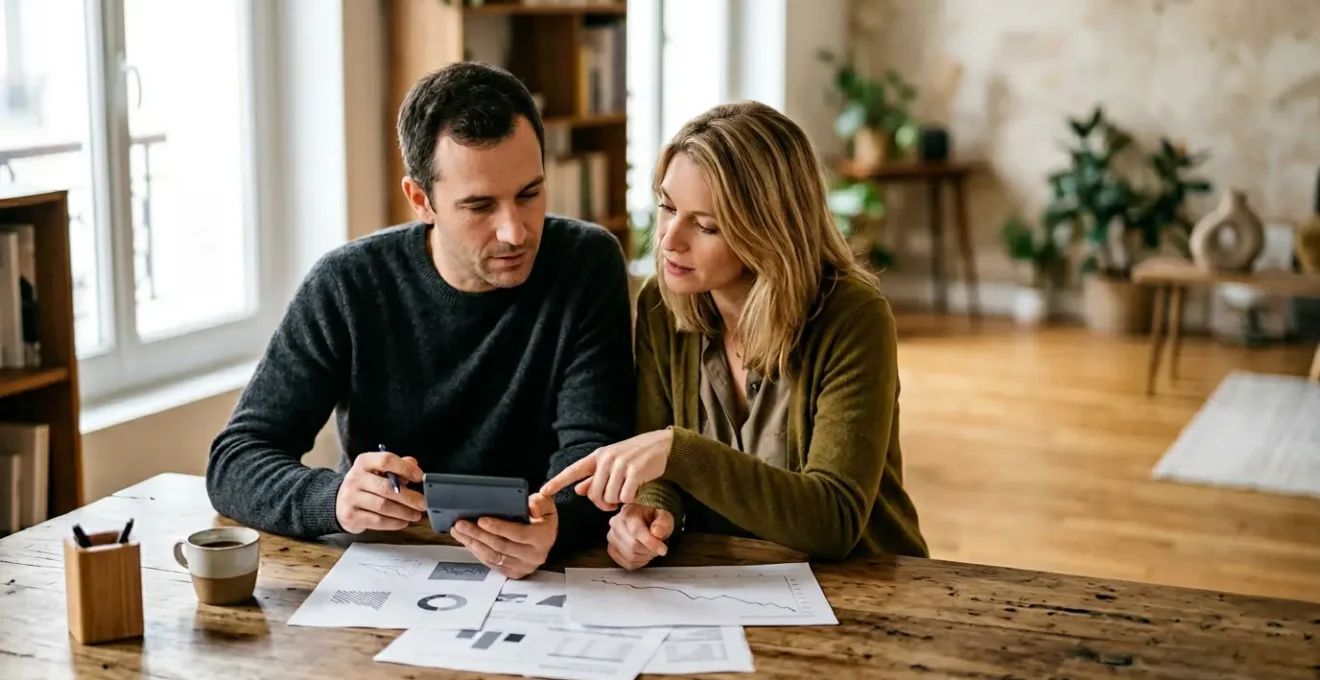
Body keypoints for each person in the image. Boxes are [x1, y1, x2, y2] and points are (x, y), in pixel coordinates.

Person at [206, 62, 635, 578]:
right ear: (421, 200)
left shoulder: (586, 263)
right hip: (387, 571)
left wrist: (557, 527)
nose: (515, 232)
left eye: (530, 194)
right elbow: (236, 459)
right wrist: (333, 498)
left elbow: (596, 455)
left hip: (542, 577)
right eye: (479, 206)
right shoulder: (348, 284)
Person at [540, 101, 927, 568]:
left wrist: (679, 451)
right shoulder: (661, 305)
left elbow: (835, 522)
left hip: (865, 584)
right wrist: (651, 512)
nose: (669, 239)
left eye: (706, 225)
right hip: (726, 579)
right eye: (666, 207)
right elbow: (664, 475)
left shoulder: (853, 315)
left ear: (768, 230)